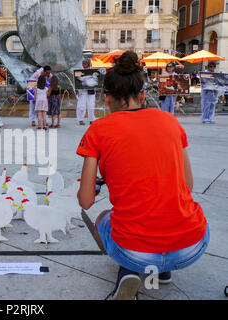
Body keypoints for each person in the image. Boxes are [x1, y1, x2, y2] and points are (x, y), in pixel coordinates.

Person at [76, 51, 209, 300]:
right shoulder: (170, 121)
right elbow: (187, 186)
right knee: (169, 213)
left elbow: (85, 201)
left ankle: (130, 271)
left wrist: (95, 183)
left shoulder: (98, 130)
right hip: (191, 245)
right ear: (142, 95)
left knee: (105, 219)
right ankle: (162, 271)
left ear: (106, 99)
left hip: (136, 250)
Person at [76, 59, 96, 125]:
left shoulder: (93, 71)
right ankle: (80, 119)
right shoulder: (79, 71)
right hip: (83, 90)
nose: (83, 65)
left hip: (91, 89)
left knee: (91, 105)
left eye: (84, 64)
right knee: (81, 105)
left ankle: (91, 119)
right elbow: (77, 80)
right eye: (83, 64)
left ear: (88, 64)